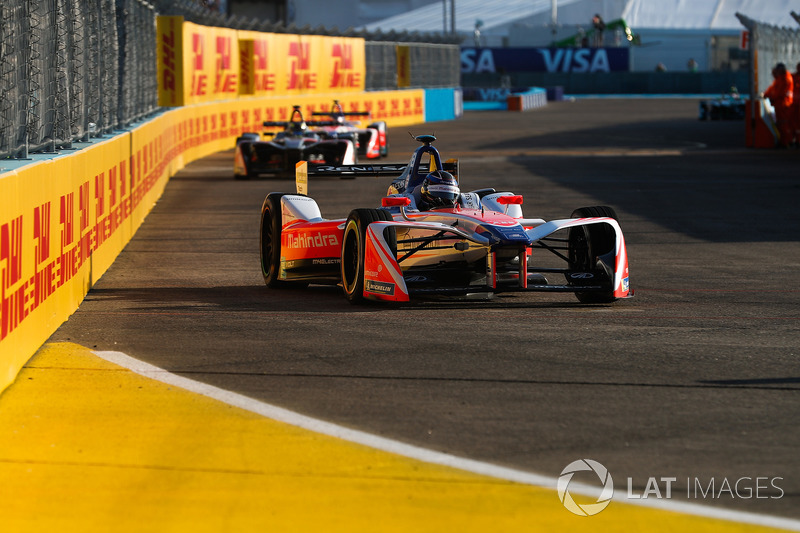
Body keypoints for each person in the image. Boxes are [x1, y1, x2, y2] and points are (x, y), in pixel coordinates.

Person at [762, 62, 794, 148]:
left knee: (783, 123)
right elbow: (772, 88)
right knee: (781, 123)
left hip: (784, 104)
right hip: (780, 104)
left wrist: (769, 96)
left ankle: (786, 142)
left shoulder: (785, 79)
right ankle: (784, 141)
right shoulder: (780, 78)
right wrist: (765, 94)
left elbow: (778, 92)